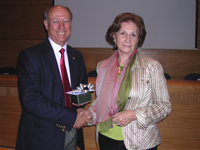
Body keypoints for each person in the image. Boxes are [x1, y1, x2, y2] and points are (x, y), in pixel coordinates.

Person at [84, 12, 171, 150]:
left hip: (139, 141)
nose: (128, 39)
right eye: (123, 33)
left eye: (133, 35)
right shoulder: (102, 66)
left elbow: (164, 106)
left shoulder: (151, 67)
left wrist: (134, 114)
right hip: (105, 137)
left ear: (138, 39)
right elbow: (102, 101)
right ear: (114, 36)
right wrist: (89, 113)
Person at [16, 5, 89, 150]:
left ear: (71, 24)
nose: (61, 26)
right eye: (55, 21)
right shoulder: (30, 56)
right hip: (42, 136)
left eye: (66, 21)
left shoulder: (77, 56)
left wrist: (80, 110)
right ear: (46, 24)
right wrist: (72, 116)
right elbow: (31, 100)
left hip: (72, 131)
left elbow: (82, 89)